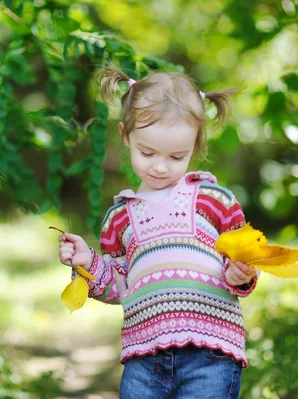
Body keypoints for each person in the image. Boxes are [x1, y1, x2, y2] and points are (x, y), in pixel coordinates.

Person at [58, 64, 258, 399]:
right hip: (143, 357)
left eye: (177, 156)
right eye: (147, 152)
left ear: (194, 146)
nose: (160, 166)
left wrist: (242, 274)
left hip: (211, 351)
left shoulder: (215, 201)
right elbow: (120, 286)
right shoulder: (119, 218)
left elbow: (244, 261)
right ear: (125, 135)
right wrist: (88, 262)